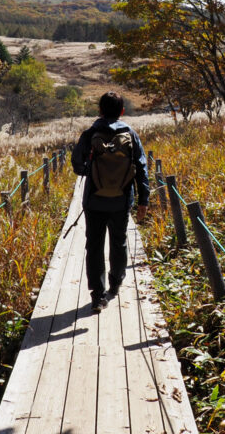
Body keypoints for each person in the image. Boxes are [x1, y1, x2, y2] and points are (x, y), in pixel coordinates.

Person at [71, 91, 149, 313]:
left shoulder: (90, 133)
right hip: (121, 200)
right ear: (122, 111)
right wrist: (144, 199)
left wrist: (92, 170)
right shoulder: (131, 134)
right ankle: (115, 284)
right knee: (119, 241)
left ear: (100, 110)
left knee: (94, 245)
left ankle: (97, 295)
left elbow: (77, 165)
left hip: (94, 201)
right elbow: (141, 168)